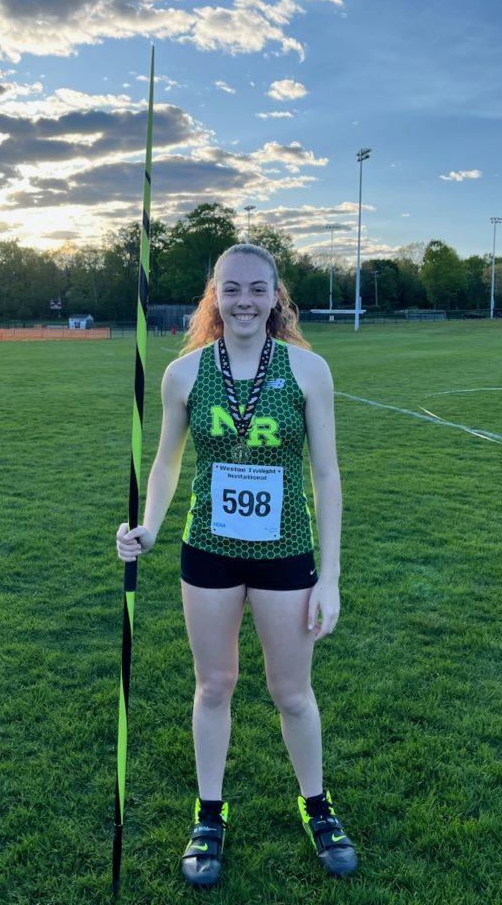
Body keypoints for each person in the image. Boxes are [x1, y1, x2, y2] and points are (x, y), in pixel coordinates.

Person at [116, 242, 357, 886]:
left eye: (257, 289)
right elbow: (165, 463)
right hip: (209, 555)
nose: (244, 300)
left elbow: (326, 475)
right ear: (214, 296)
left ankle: (317, 806)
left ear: (276, 296)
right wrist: (148, 528)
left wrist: (330, 578)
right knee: (214, 685)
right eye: (231, 288)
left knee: (292, 693)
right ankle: (209, 813)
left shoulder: (308, 371)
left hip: (286, 554)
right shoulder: (183, 374)